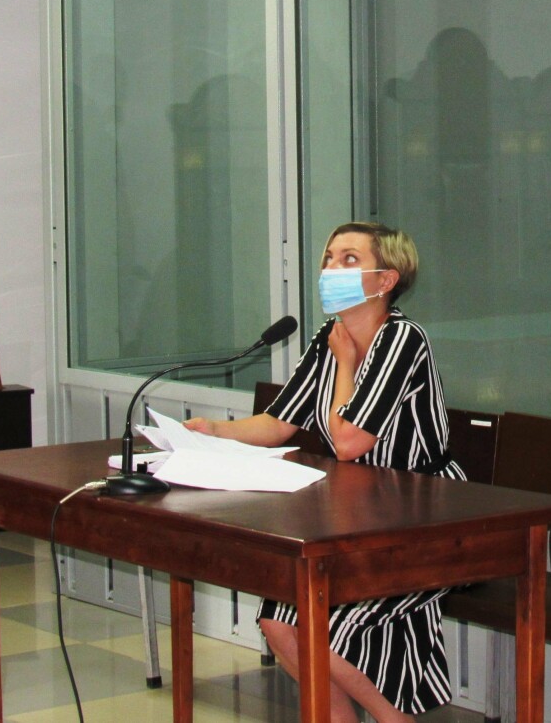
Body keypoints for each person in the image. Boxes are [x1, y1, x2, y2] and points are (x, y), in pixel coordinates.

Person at [184, 222, 464, 723]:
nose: (331, 268)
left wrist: (346, 366)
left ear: (386, 280)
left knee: (316, 621)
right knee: (278, 620)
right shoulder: (330, 337)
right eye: (329, 258)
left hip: (425, 517)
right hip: (360, 513)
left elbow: (348, 441)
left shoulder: (402, 339)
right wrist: (213, 430)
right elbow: (278, 423)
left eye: (349, 259)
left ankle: (394, 719)